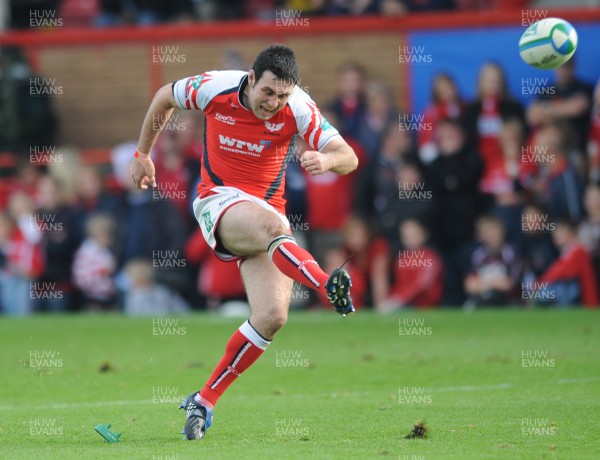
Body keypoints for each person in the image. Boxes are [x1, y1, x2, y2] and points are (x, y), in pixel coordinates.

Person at [130, 44, 358, 440]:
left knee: (272, 317)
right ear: (251, 79)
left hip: (269, 218)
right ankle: (326, 284)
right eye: (267, 92)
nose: (273, 102)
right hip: (217, 202)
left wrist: (326, 161)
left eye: (282, 95)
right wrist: (142, 153)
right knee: (275, 230)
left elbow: (348, 156)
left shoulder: (299, 106)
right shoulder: (214, 88)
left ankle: (203, 400)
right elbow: (164, 96)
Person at [378, 218, 443, 311]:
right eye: (407, 236)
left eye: (415, 235)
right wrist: (391, 299)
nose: (411, 240)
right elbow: (400, 284)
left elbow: (422, 284)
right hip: (405, 303)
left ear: (424, 234)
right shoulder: (402, 258)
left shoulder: (430, 257)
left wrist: (400, 299)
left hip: (425, 304)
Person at [536, 219, 598, 308]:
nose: (556, 235)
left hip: (585, 299)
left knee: (550, 289)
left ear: (571, 232)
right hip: (579, 295)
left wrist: (541, 282)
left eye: (560, 232)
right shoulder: (568, 251)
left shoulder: (578, 251)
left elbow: (561, 271)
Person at [464, 215, 521, 308]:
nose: (493, 237)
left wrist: (485, 283)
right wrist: (492, 284)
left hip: (506, 300)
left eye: (496, 233)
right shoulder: (477, 255)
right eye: (490, 234)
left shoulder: (510, 253)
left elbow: (510, 284)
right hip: (481, 297)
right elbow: (469, 285)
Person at [72, 214, 117, 311]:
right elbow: (81, 277)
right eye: (104, 236)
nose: (108, 239)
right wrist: (103, 271)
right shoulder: (86, 252)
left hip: (107, 295)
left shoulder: (106, 251)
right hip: (92, 296)